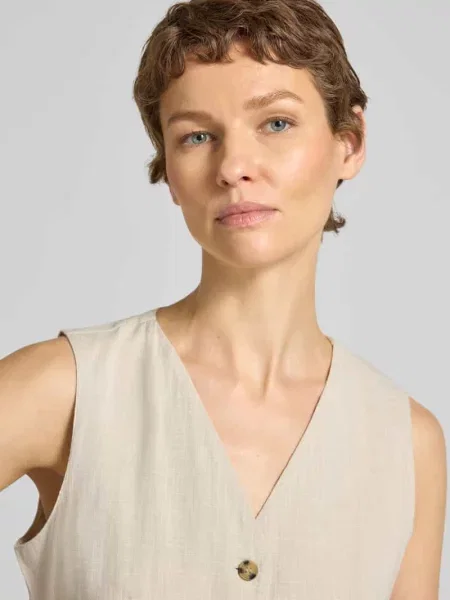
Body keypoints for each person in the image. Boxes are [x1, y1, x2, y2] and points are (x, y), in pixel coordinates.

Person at [1, 0, 446, 598]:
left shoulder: (406, 444)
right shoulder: (65, 390)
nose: (233, 166)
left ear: (350, 142)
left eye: (277, 124)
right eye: (197, 136)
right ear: (170, 172)